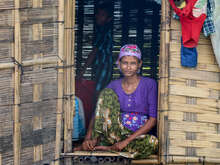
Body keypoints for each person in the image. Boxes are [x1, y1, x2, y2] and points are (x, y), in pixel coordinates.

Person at [74, 44, 158, 159]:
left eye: (133, 63)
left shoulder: (150, 84)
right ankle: (96, 143)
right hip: (114, 134)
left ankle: (109, 148)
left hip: (137, 137)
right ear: (119, 63)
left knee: (152, 143)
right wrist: (87, 138)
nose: (128, 67)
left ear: (139, 64)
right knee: (106, 93)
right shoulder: (113, 85)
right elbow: (97, 113)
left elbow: (153, 120)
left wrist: (126, 141)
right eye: (125, 63)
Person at [77, 0, 114, 97]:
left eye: (102, 15)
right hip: (101, 66)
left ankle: (97, 111)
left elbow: (94, 52)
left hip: (104, 66)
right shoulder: (101, 30)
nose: (98, 16)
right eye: (98, 14)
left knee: (99, 92)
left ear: (109, 19)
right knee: (99, 91)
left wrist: (83, 70)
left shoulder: (103, 32)